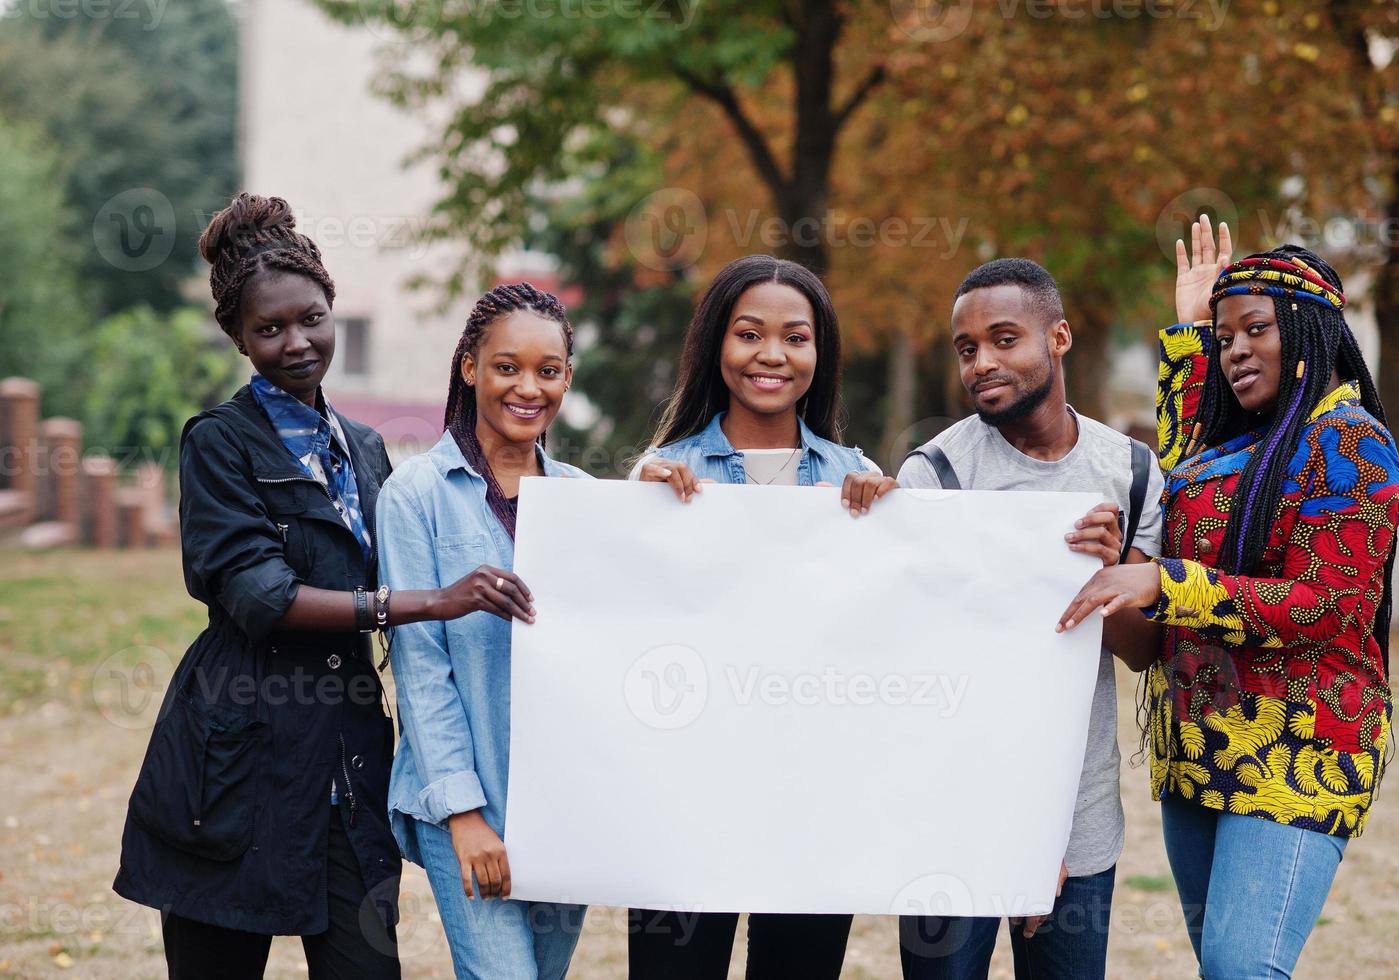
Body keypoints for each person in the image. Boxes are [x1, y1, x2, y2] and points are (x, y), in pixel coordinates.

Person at [114, 193, 517, 978]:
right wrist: (428, 601)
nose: (296, 343)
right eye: (269, 329)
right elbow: (262, 599)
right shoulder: (218, 445)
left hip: (349, 758)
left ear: (332, 309)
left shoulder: (365, 449)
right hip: (235, 760)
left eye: (311, 318)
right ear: (238, 337)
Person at [1058, 217, 1399, 978]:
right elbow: (1179, 474)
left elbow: (1328, 602)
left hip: (1300, 748)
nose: (1236, 349)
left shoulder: (1347, 442)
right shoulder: (1228, 441)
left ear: (1309, 332)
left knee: (1240, 968)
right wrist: (1189, 335)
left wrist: (1166, 582)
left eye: (1256, 329)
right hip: (1198, 747)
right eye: (1225, 338)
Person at [886, 258, 1164, 980]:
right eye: (966, 348)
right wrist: (1010, 833)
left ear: (1060, 337)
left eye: (1004, 339)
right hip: (954, 817)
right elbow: (923, 670)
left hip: (1080, 812)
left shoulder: (1130, 471)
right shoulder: (935, 477)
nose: (982, 362)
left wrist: (1105, 584)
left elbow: (1142, 653)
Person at [626, 254, 880, 979]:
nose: (771, 355)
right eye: (748, 333)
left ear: (819, 353)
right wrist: (627, 516)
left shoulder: (855, 479)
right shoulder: (657, 476)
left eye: (795, 338)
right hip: (683, 803)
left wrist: (898, 532)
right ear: (716, 345)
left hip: (810, 806)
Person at [375, 282, 589, 978]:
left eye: (548, 371)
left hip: (563, 803)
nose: (528, 387)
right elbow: (419, 668)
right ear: (469, 366)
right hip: (468, 797)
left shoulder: (583, 501)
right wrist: (464, 814)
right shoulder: (415, 495)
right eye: (507, 366)